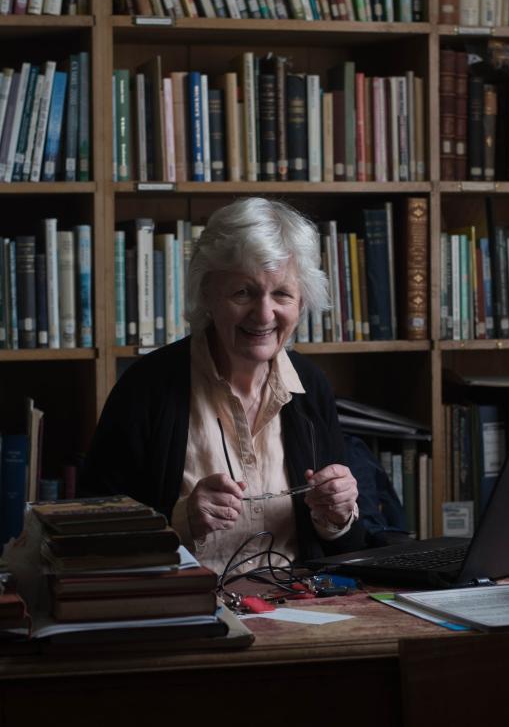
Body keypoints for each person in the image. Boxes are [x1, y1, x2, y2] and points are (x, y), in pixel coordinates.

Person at [82, 197, 364, 575]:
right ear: (208, 294)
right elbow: (91, 538)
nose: (264, 314)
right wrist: (179, 521)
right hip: (184, 613)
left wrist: (337, 516)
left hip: (298, 607)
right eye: (243, 293)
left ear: (302, 301)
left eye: (282, 293)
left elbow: (344, 549)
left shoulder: (311, 387)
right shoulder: (146, 387)